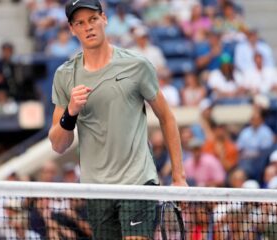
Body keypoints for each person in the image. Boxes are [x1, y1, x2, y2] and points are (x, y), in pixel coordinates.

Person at [48, 0, 187, 239]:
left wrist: (179, 177)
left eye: (92, 19)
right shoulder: (65, 75)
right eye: (80, 23)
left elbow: (167, 117)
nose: (88, 27)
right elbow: (58, 144)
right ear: (72, 29)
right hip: (96, 189)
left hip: (137, 182)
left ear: (104, 19)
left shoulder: (136, 65)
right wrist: (71, 112)